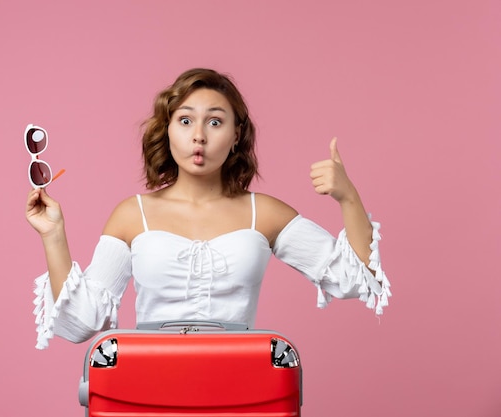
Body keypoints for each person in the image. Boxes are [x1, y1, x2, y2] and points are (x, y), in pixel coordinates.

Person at [26, 68, 391, 350]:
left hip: (241, 386)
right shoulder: (131, 215)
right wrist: (53, 234)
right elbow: (82, 322)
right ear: (167, 131)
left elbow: (355, 279)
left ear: (235, 135)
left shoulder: (264, 213)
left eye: (215, 121)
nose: (199, 135)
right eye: (185, 121)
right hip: (149, 387)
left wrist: (349, 197)